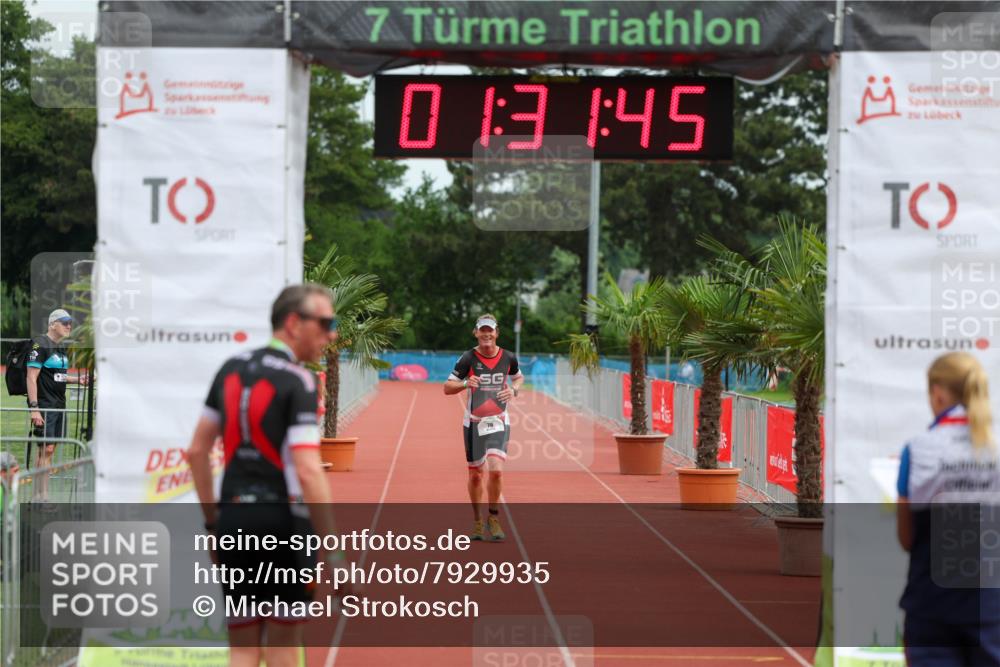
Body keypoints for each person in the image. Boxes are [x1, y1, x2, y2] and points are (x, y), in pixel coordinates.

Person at [188, 284, 344, 667]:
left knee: (242, 648)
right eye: (326, 323)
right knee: (283, 648)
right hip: (285, 525)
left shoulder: (230, 369)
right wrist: (334, 555)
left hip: (235, 520)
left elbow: (196, 451)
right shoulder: (300, 380)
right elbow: (308, 470)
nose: (332, 333)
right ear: (294, 323)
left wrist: (213, 524)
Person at [896, 352, 999, 666]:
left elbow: (906, 538)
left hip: (932, 607)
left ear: (938, 393)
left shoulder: (918, 450)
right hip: (992, 608)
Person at [443, 314, 524, 542]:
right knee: (477, 475)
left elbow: (518, 378)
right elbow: (447, 387)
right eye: (482, 330)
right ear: (476, 333)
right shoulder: (468, 358)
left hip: (499, 421)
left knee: (496, 469)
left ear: (497, 333)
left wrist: (514, 390)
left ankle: (494, 517)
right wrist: (465, 383)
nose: (487, 334)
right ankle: (478, 520)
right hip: (474, 424)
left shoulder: (508, 357)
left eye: (491, 330)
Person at [26, 309, 87, 502]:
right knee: (45, 449)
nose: (69, 325)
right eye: (65, 322)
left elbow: (57, 376)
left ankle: (42, 496)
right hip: (45, 405)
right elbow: (31, 377)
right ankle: (39, 497)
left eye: (70, 322)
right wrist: (34, 408)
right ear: (53, 324)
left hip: (59, 405)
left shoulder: (60, 347)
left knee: (49, 450)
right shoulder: (40, 344)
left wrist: (79, 380)